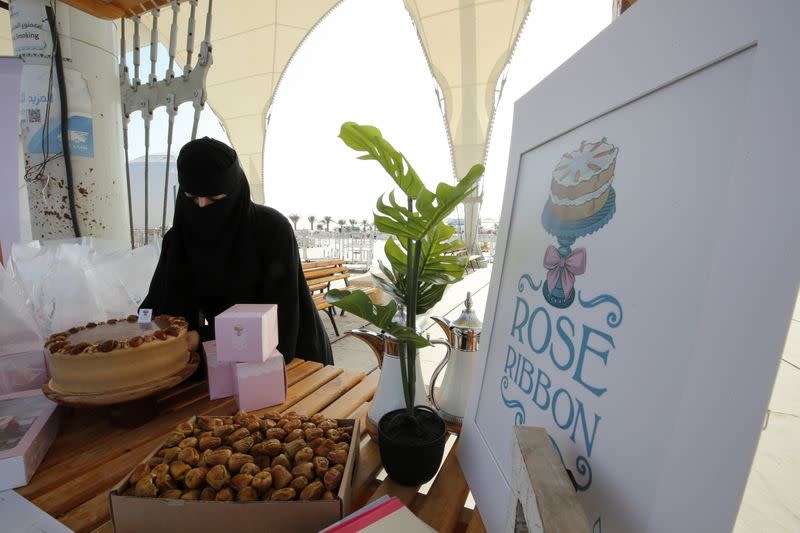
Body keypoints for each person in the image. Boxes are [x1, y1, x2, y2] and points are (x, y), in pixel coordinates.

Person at [141, 137, 333, 365]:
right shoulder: (178, 238)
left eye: (214, 198)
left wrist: (200, 338)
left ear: (235, 190)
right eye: (191, 198)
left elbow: (278, 319)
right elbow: (156, 303)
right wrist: (142, 328)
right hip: (215, 358)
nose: (202, 206)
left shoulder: (271, 230)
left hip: (295, 360)